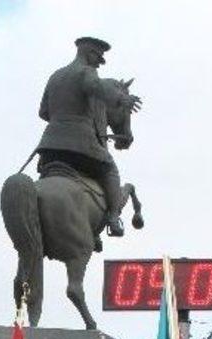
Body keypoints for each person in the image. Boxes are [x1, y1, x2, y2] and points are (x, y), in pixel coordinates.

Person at [36, 36, 141, 236]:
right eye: (99, 58)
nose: (99, 63)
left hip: (49, 148)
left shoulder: (55, 76)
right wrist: (122, 99)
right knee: (110, 168)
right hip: (79, 146)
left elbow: (43, 112)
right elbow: (98, 88)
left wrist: (62, 117)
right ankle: (112, 217)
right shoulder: (86, 72)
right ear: (88, 53)